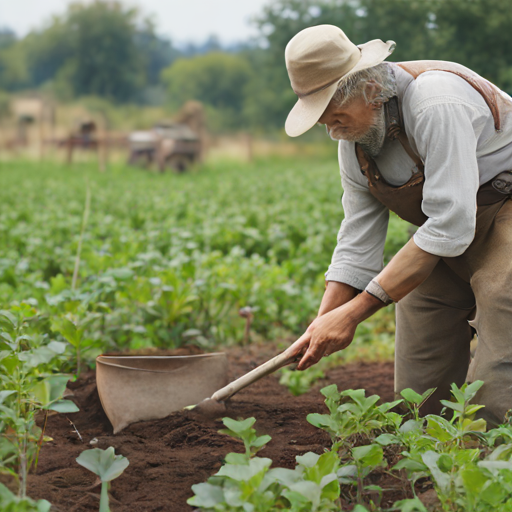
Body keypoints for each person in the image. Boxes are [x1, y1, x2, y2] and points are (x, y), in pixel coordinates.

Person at [282, 24, 512, 425]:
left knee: (500, 333)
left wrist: (353, 314)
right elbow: (358, 237)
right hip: (445, 232)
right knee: (420, 374)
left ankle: (493, 470)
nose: (331, 128)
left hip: (501, 212)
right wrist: (322, 322)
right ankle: (428, 464)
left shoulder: (434, 103)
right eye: (321, 118)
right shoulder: (354, 141)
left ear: (370, 90)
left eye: (334, 113)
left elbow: (450, 224)